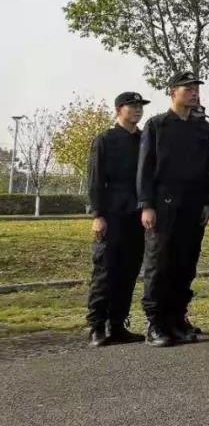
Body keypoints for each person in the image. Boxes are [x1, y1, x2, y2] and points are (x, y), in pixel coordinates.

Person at [137, 71, 209, 346]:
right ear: (173, 92)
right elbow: (145, 167)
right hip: (164, 204)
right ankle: (156, 322)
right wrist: (146, 205)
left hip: (193, 204)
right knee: (160, 264)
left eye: (196, 89)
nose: (194, 93)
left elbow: (208, 169)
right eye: (188, 89)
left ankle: (177, 318)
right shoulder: (157, 125)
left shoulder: (202, 128)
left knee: (185, 263)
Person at [86, 91, 152, 347]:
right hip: (112, 214)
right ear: (118, 110)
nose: (137, 110)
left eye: (140, 106)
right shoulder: (105, 140)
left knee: (129, 271)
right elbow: (95, 180)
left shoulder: (145, 139)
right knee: (105, 271)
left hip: (137, 215)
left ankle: (117, 325)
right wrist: (97, 214)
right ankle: (97, 326)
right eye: (131, 106)